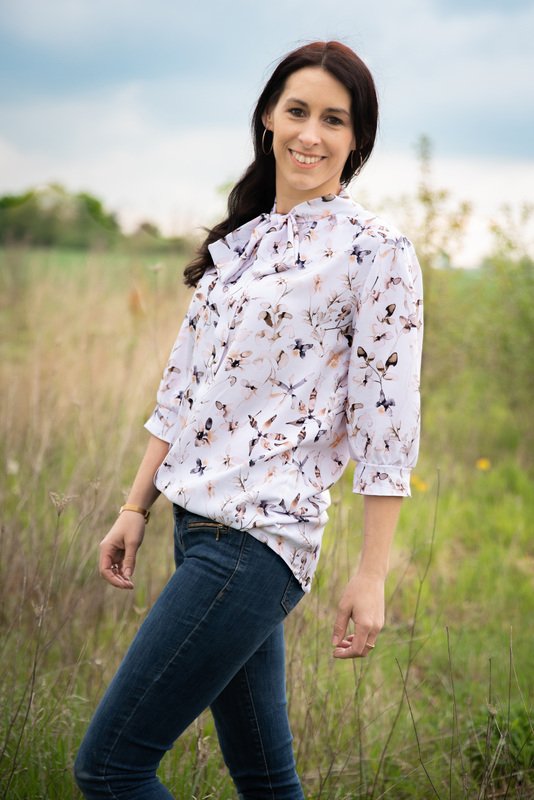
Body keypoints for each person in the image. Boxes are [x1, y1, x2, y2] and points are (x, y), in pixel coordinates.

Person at [74, 40, 423, 800]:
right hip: (196, 527)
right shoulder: (240, 244)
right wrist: (136, 506)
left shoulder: (375, 252)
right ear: (268, 117)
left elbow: (387, 422)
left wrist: (372, 574)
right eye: (297, 111)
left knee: (110, 769)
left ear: (357, 137)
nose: (311, 134)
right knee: (267, 781)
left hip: (257, 543)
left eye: (334, 119)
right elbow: (182, 391)